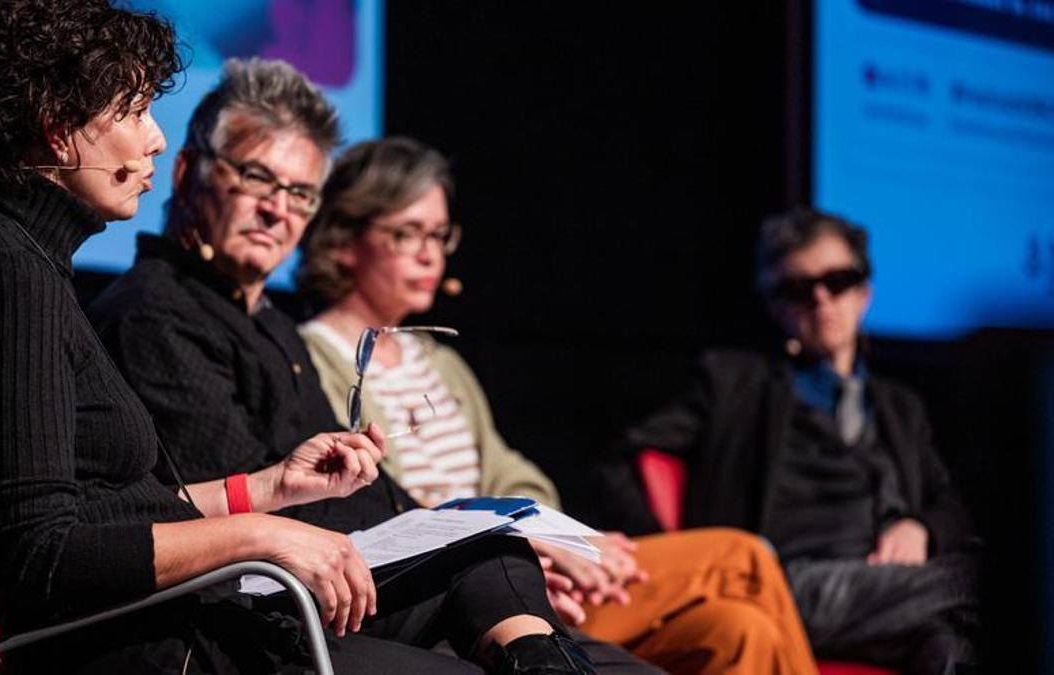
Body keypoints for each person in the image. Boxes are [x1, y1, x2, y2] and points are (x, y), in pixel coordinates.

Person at [0, 2, 489, 672]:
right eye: (133, 112)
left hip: (161, 627)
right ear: (60, 130)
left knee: (487, 578)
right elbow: (43, 555)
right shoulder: (6, 275)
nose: (155, 139)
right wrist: (261, 533)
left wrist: (270, 489)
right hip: (140, 647)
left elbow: (118, 510)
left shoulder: (28, 265)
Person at [89, 57, 652, 674]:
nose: (279, 210)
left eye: (300, 193)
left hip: (340, 587)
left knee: (524, 582)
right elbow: (242, 503)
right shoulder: (155, 312)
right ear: (190, 170)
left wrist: (454, 529)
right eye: (257, 179)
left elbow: (361, 485)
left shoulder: (267, 323)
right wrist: (440, 537)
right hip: (261, 607)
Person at [294, 136, 818, 675]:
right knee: (744, 559)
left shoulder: (441, 363)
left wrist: (547, 537)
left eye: (438, 234)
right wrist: (517, 544)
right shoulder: (314, 358)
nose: (430, 253)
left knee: (740, 630)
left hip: (527, 559)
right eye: (407, 234)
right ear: (344, 241)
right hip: (457, 584)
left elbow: (510, 469)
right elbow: (379, 503)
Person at [601, 207, 979, 674]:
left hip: (889, 585)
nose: (821, 300)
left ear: (864, 293)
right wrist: (674, 559)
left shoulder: (900, 406)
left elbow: (948, 502)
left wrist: (922, 528)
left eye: (837, 280)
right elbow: (621, 461)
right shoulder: (735, 384)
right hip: (785, 581)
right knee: (980, 586)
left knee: (948, 644)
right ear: (776, 307)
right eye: (798, 290)